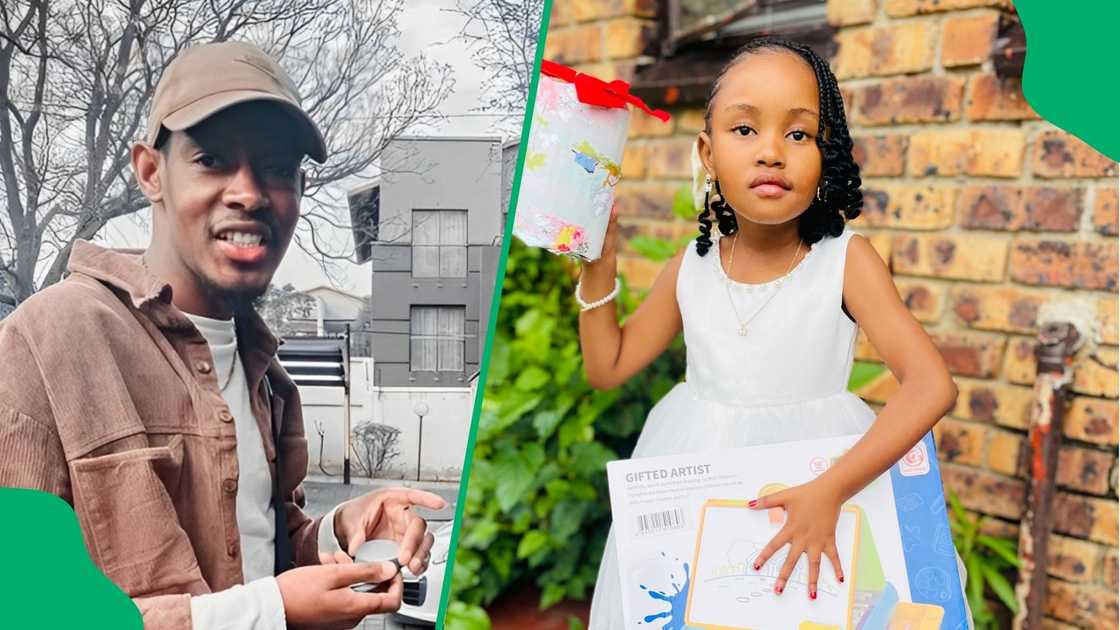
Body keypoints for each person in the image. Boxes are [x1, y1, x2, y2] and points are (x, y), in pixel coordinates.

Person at [0, 41, 446, 630]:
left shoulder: (267, 373)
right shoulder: (41, 343)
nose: (250, 192)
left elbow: (261, 552)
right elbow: (28, 606)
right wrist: (273, 612)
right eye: (211, 159)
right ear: (151, 172)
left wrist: (341, 528)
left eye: (278, 168)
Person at [576, 37, 971, 628]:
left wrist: (830, 491)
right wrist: (597, 266)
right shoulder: (691, 268)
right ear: (707, 153)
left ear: (825, 153)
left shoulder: (845, 261)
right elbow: (606, 366)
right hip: (703, 489)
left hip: (828, 482)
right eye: (744, 131)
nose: (770, 153)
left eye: (797, 134)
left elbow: (930, 386)